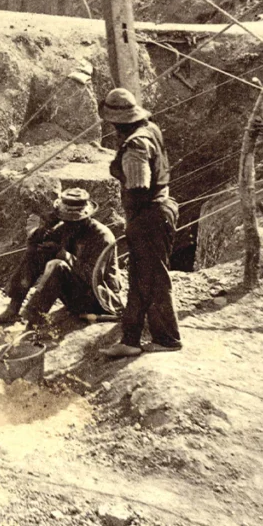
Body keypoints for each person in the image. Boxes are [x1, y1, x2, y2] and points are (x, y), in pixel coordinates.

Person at [98, 88, 182, 358]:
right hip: (154, 212)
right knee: (139, 277)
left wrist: (134, 220)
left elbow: (138, 183)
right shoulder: (151, 129)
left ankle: (168, 339)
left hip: (149, 215)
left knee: (155, 278)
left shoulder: (136, 145)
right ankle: (131, 339)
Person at [0, 189, 123, 326]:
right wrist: (48, 225)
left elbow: (94, 277)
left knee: (58, 266)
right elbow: (34, 244)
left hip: (98, 300)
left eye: (74, 220)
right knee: (37, 253)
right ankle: (13, 308)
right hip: (76, 293)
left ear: (86, 217)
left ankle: (34, 320)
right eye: (66, 219)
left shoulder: (101, 236)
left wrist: (63, 254)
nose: (69, 223)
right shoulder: (66, 227)